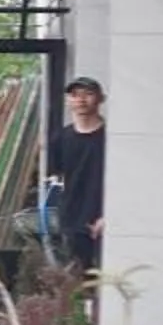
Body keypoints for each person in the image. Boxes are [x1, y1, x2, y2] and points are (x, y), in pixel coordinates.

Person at [49, 76, 107, 277]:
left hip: (104, 218)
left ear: (101, 99)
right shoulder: (60, 138)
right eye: (75, 95)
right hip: (72, 217)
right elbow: (54, 174)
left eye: (88, 94)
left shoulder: (111, 138)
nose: (81, 100)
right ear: (68, 101)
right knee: (80, 278)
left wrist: (109, 215)